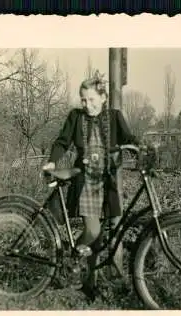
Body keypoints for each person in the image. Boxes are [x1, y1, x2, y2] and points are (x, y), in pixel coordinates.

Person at [42, 71, 139, 298]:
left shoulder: (114, 117)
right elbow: (62, 141)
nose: (87, 105)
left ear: (103, 98)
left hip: (108, 184)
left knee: (99, 239)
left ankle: (89, 284)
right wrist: (52, 161)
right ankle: (74, 254)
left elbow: (128, 138)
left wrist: (141, 147)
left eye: (92, 100)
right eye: (83, 100)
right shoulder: (76, 117)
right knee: (93, 231)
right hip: (85, 182)